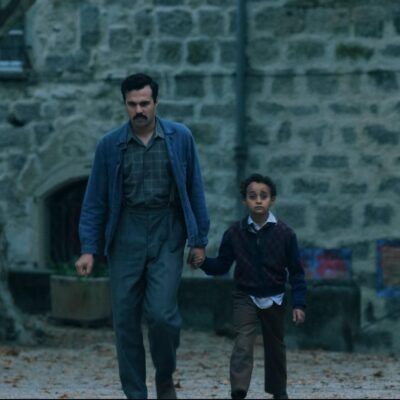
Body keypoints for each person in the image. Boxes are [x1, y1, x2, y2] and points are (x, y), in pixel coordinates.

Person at [75, 73, 209, 399]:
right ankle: (135, 393)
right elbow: (95, 201)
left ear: (156, 102)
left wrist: (199, 240)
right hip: (126, 232)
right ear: (124, 104)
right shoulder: (110, 145)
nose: (139, 110)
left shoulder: (180, 137)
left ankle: (164, 375)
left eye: (145, 103)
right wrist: (89, 248)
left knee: (162, 316)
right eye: (132, 104)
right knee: (125, 319)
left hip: (167, 230)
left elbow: (194, 189)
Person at [192, 173, 306, 400]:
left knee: (275, 346)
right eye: (252, 196)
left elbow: (296, 272)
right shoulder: (234, 233)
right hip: (245, 296)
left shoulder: (285, 234)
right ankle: (239, 390)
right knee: (243, 344)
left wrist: (299, 304)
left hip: (275, 297)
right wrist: (203, 262)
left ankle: (278, 390)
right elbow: (222, 265)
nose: (258, 200)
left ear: (272, 199)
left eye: (264, 196)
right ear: (245, 200)